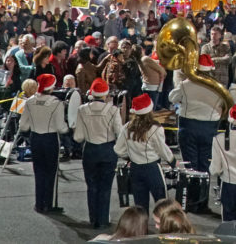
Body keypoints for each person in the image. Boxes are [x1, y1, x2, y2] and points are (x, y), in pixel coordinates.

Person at [75, 77, 124, 229]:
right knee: (105, 186)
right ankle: (103, 219)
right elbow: (119, 132)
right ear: (105, 93)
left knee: (92, 186)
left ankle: (93, 218)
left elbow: (78, 137)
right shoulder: (113, 110)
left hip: (89, 150)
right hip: (108, 150)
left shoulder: (82, 110)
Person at [114, 94, 174, 212]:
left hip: (135, 169)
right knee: (162, 205)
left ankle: (141, 230)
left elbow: (118, 149)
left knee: (140, 207)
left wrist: (129, 157)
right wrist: (173, 161)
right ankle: (165, 229)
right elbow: (162, 149)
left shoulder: (127, 127)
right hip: (152, 169)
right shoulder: (155, 128)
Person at [19, 73, 67, 213]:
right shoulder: (55, 103)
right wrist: (67, 129)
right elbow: (60, 126)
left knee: (38, 171)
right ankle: (49, 204)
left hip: (35, 138)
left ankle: (39, 203)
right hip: (51, 138)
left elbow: (23, 126)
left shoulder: (30, 101)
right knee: (50, 172)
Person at [169, 54, 225, 174]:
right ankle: (203, 192)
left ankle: (191, 192)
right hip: (209, 127)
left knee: (190, 167)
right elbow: (223, 104)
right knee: (206, 166)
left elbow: (172, 97)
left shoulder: (186, 84)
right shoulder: (217, 87)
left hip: (188, 126)